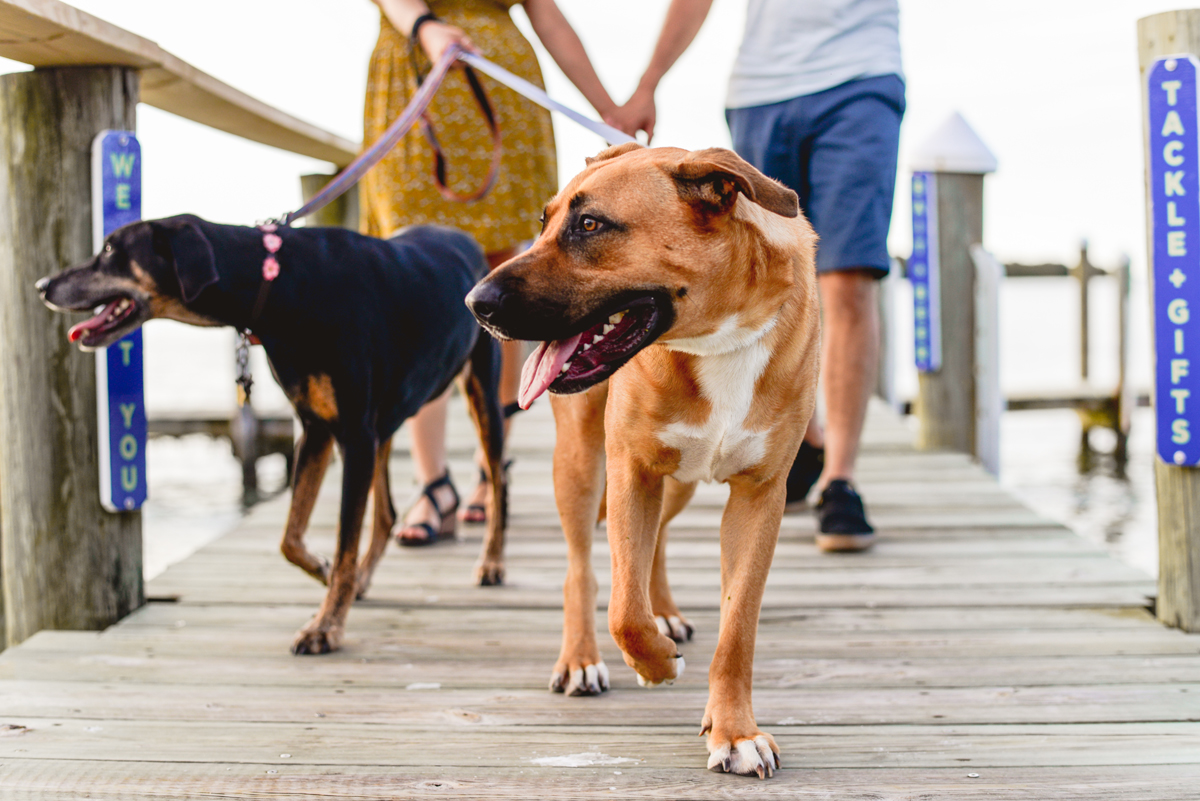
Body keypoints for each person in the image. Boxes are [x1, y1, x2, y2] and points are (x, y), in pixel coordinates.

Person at [607, 0, 904, 552]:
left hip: (860, 80)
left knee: (846, 277)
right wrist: (648, 83)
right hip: (761, 92)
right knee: (771, 271)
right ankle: (804, 439)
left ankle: (840, 479)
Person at [364, 0, 620, 544]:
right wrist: (425, 27)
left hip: (500, 89)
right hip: (416, 79)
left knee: (506, 279)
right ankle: (431, 480)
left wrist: (608, 112)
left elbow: (546, 14)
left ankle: (490, 463)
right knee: (418, 286)